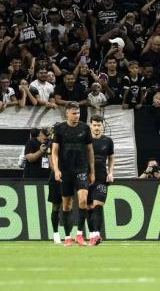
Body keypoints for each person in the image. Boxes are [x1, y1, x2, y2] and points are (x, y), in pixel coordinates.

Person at [51, 101, 95, 246]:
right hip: (65, 171)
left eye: (78, 113)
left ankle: (80, 234)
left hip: (81, 169)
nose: (77, 116)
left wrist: (92, 171)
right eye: (74, 113)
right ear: (67, 113)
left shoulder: (85, 128)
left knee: (83, 200)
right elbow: (55, 151)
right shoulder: (59, 128)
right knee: (67, 205)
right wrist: (57, 170)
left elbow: (90, 150)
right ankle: (68, 237)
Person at [86, 114, 114, 246]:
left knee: (98, 205)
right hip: (85, 178)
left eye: (99, 125)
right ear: (90, 125)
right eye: (94, 125)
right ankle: (92, 235)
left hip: (102, 178)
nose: (97, 127)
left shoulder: (108, 141)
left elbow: (111, 158)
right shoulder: (85, 140)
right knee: (88, 207)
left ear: (102, 125)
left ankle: (97, 235)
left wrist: (111, 172)